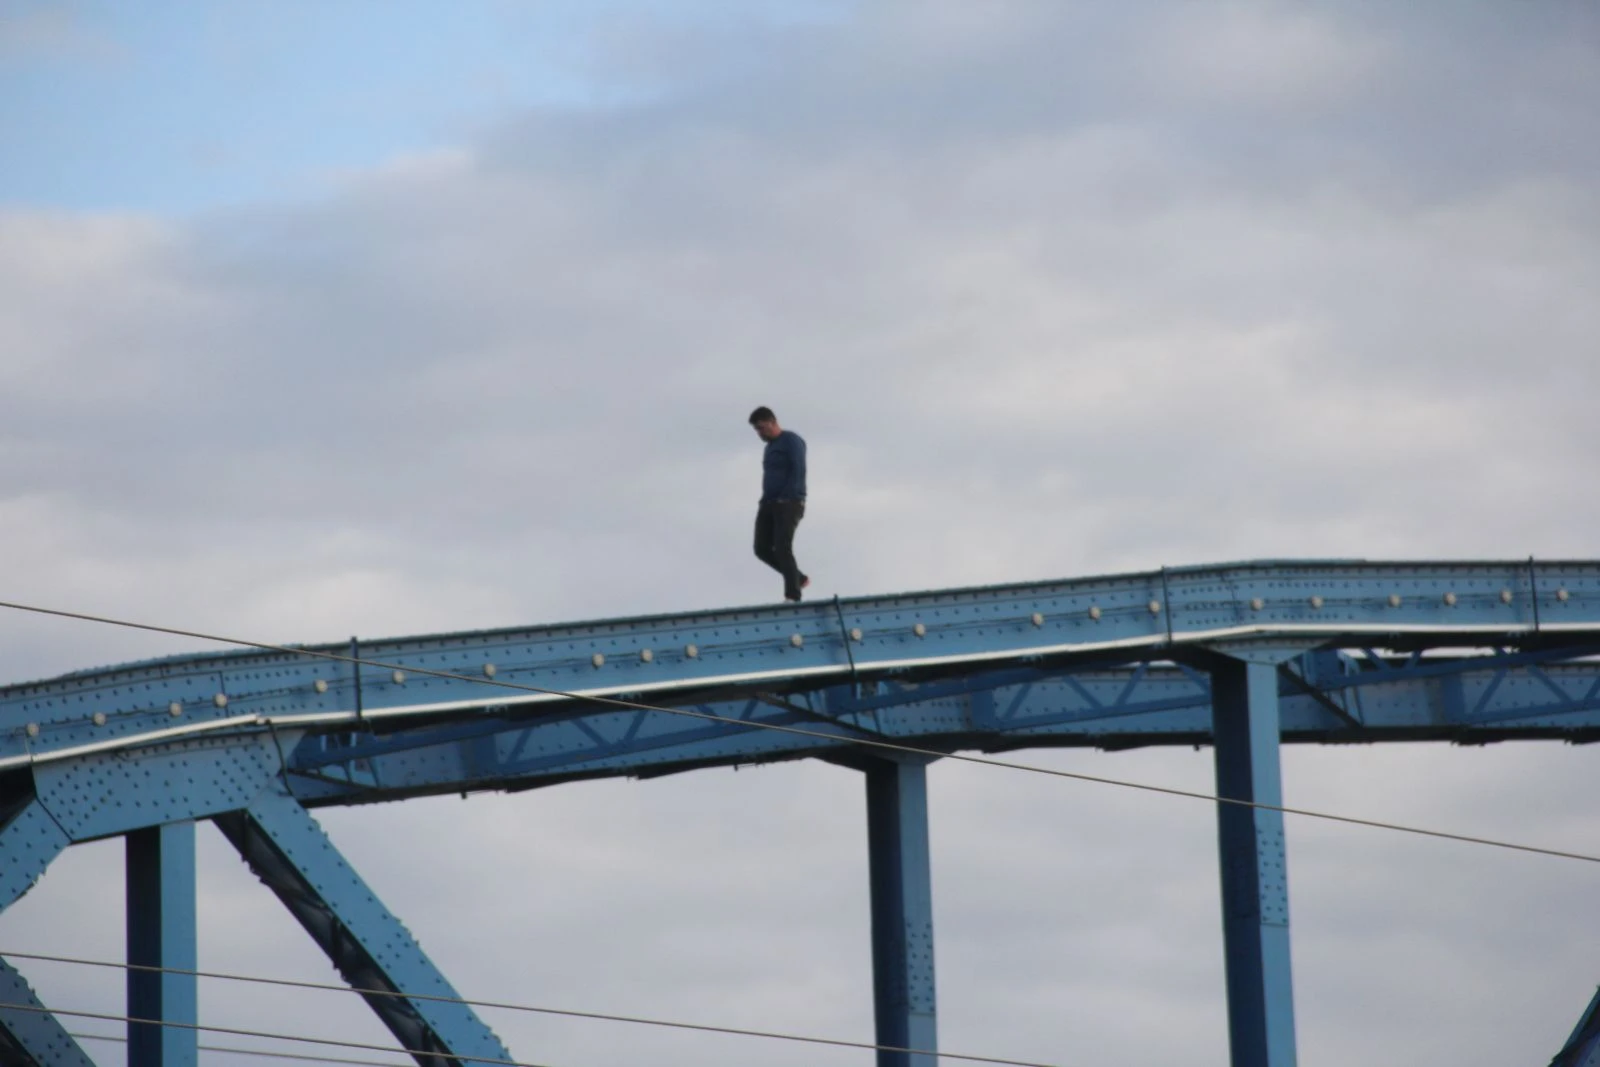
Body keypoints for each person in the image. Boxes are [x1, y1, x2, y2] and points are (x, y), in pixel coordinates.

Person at [748, 406, 809, 601]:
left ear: (773, 422)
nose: (759, 433)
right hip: (768, 502)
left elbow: (798, 469)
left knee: (782, 547)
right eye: (756, 429)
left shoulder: (791, 440)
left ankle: (793, 595)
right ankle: (798, 577)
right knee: (761, 549)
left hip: (789, 502)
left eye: (761, 428)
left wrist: (788, 497)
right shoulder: (769, 448)